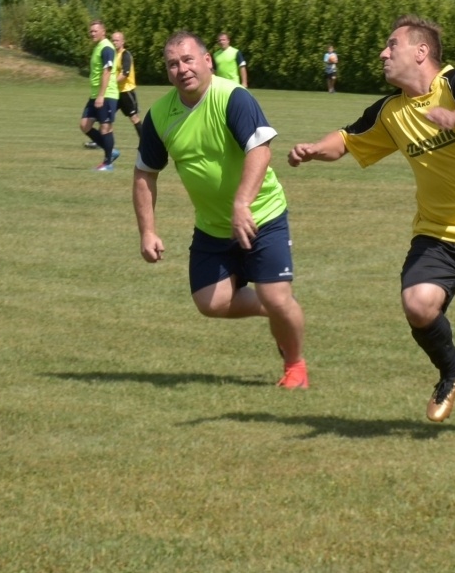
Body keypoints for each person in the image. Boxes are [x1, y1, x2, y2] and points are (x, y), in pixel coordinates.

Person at [288, 15, 455, 437]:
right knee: (417, 304)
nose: (383, 53)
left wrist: (454, 118)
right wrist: (313, 149)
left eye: (391, 45)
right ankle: (453, 373)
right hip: (438, 234)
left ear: (420, 52)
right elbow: (345, 140)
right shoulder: (390, 111)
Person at [133, 32, 308, 389]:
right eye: (172, 64)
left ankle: (295, 366)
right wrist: (147, 231)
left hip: (262, 216)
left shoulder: (232, 97)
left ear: (207, 60)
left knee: (275, 295)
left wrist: (242, 203)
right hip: (213, 226)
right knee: (209, 302)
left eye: (188, 59)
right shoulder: (160, 115)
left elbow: (260, 149)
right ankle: (274, 309)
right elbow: (144, 173)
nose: (182, 69)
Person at [81, 21, 118, 169]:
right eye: (91, 31)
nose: (92, 34)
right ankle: (111, 151)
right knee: (85, 125)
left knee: (105, 128)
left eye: (95, 31)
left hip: (107, 94)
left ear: (103, 31)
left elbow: (107, 71)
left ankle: (108, 163)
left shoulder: (106, 47)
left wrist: (101, 95)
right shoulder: (98, 47)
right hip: (95, 94)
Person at [112, 31, 142, 140]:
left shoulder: (125, 55)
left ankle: (146, 141)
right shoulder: (113, 55)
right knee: (106, 117)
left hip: (126, 91)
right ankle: (100, 141)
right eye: (113, 40)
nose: (114, 42)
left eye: (117, 40)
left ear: (123, 41)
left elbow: (125, 74)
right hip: (115, 92)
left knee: (134, 118)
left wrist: (111, 83)